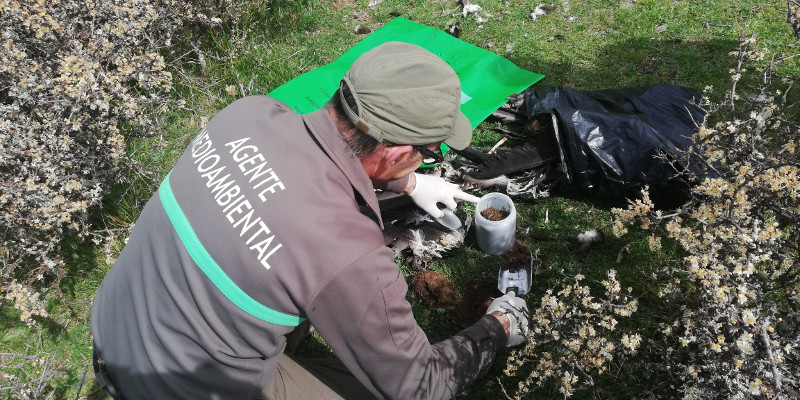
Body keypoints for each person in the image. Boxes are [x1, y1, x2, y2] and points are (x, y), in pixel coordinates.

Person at [91, 41, 529, 400]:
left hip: (115, 334)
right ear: (397, 152)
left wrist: (410, 184)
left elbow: (306, 165)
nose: (429, 161)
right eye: (431, 153)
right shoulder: (345, 252)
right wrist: (497, 327)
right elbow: (420, 386)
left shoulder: (248, 114)